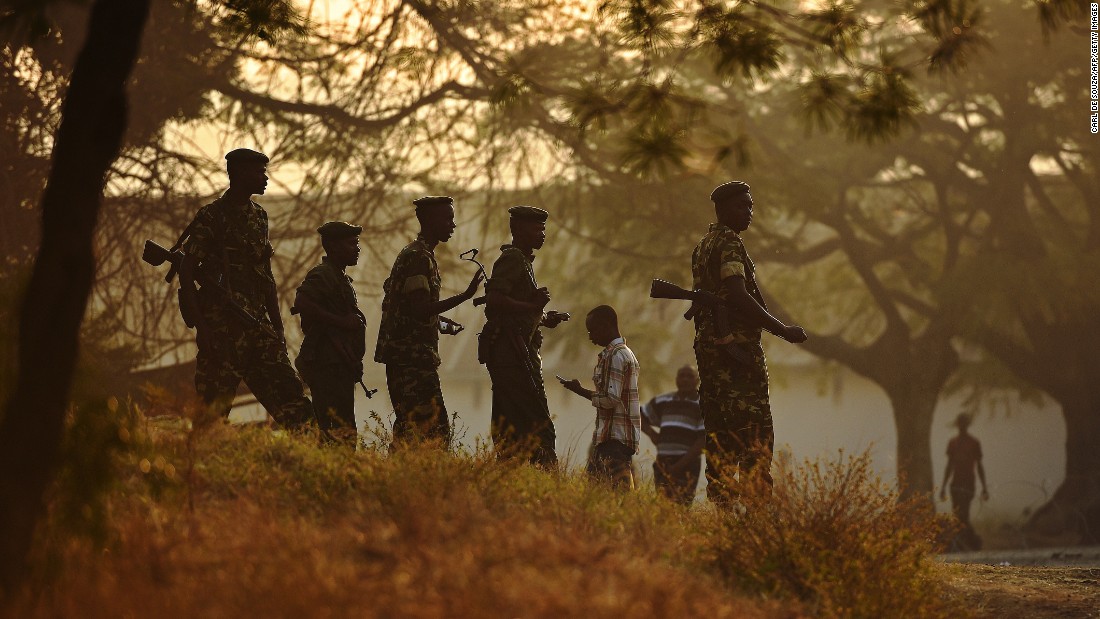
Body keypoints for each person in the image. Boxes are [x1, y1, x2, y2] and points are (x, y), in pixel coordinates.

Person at [177, 148, 313, 427]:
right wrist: (203, 327)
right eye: (259, 172)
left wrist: (277, 328)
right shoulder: (213, 216)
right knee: (211, 415)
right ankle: (201, 468)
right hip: (222, 331)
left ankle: (317, 462)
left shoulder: (260, 217)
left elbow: (266, 276)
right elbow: (187, 271)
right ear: (239, 174)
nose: (265, 178)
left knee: (293, 402)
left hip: (257, 326)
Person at [691, 180, 807, 505]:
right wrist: (782, 329)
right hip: (735, 355)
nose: (749, 212)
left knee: (720, 438)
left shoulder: (703, 245)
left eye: (751, 206)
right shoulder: (728, 242)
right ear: (724, 210)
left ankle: (724, 515)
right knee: (756, 435)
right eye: (743, 206)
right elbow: (739, 295)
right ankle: (757, 516)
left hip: (711, 356)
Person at [375, 196, 483, 446]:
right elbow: (420, 309)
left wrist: (442, 323)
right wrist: (466, 296)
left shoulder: (418, 254)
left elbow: (409, 310)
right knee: (432, 433)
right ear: (430, 221)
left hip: (409, 359)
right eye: (447, 219)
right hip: (411, 360)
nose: (452, 225)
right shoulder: (417, 257)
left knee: (409, 432)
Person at [480, 205, 568, 465]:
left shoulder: (523, 261)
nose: (542, 234)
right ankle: (543, 477)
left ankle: (512, 471)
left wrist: (541, 318)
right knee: (537, 423)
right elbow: (494, 301)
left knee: (514, 422)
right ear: (517, 230)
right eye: (536, 228)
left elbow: (512, 310)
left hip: (517, 353)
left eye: (543, 229)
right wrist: (533, 306)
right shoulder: (513, 259)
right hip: (512, 355)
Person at [293, 221, 366, 446]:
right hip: (328, 365)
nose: (357, 248)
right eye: (351, 243)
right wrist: (341, 322)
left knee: (343, 429)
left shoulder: (339, 277)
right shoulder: (323, 274)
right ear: (333, 247)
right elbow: (302, 302)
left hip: (340, 365)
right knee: (337, 430)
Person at [559, 305, 641, 490]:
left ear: (605, 326)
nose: (590, 336)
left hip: (615, 440)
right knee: (597, 494)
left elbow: (610, 400)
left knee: (616, 497)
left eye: (592, 330)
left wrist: (579, 390)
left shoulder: (616, 355)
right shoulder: (623, 353)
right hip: (611, 438)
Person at [642, 365, 704, 505]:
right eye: (682, 376)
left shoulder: (703, 404)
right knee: (663, 506)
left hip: (687, 464)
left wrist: (679, 466)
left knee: (681, 505)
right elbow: (639, 415)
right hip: (663, 462)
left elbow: (703, 440)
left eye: (689, 376)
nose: (685, 379)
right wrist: (653, 435)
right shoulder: (664, 401)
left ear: (697, 380)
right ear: (676, 380)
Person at [940, 413, 989, 550]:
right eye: (960, 423)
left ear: (967, 425)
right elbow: (949, 466)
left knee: (964, 514)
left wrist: (984, 487)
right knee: (957, 514)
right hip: (955, 483)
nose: (962, 426)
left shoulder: (974, 443)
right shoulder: (953, 442)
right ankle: (963, 543)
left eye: (964, 423)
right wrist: (943, 486)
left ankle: (969, 542)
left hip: (968, 482)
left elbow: (979, 465)